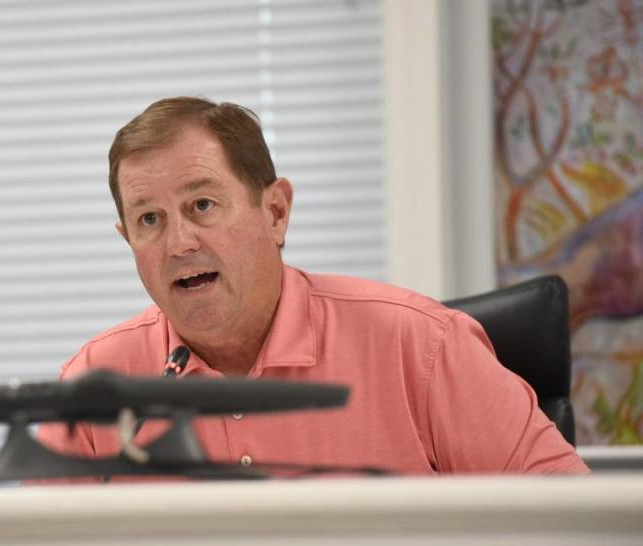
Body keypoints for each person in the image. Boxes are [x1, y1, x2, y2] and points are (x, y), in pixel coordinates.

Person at [36, 96, 589, 474]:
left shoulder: (423, 347)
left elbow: (571, 528)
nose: (178, 242)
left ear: (275, 212)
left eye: (201, 205)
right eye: (149, 220)